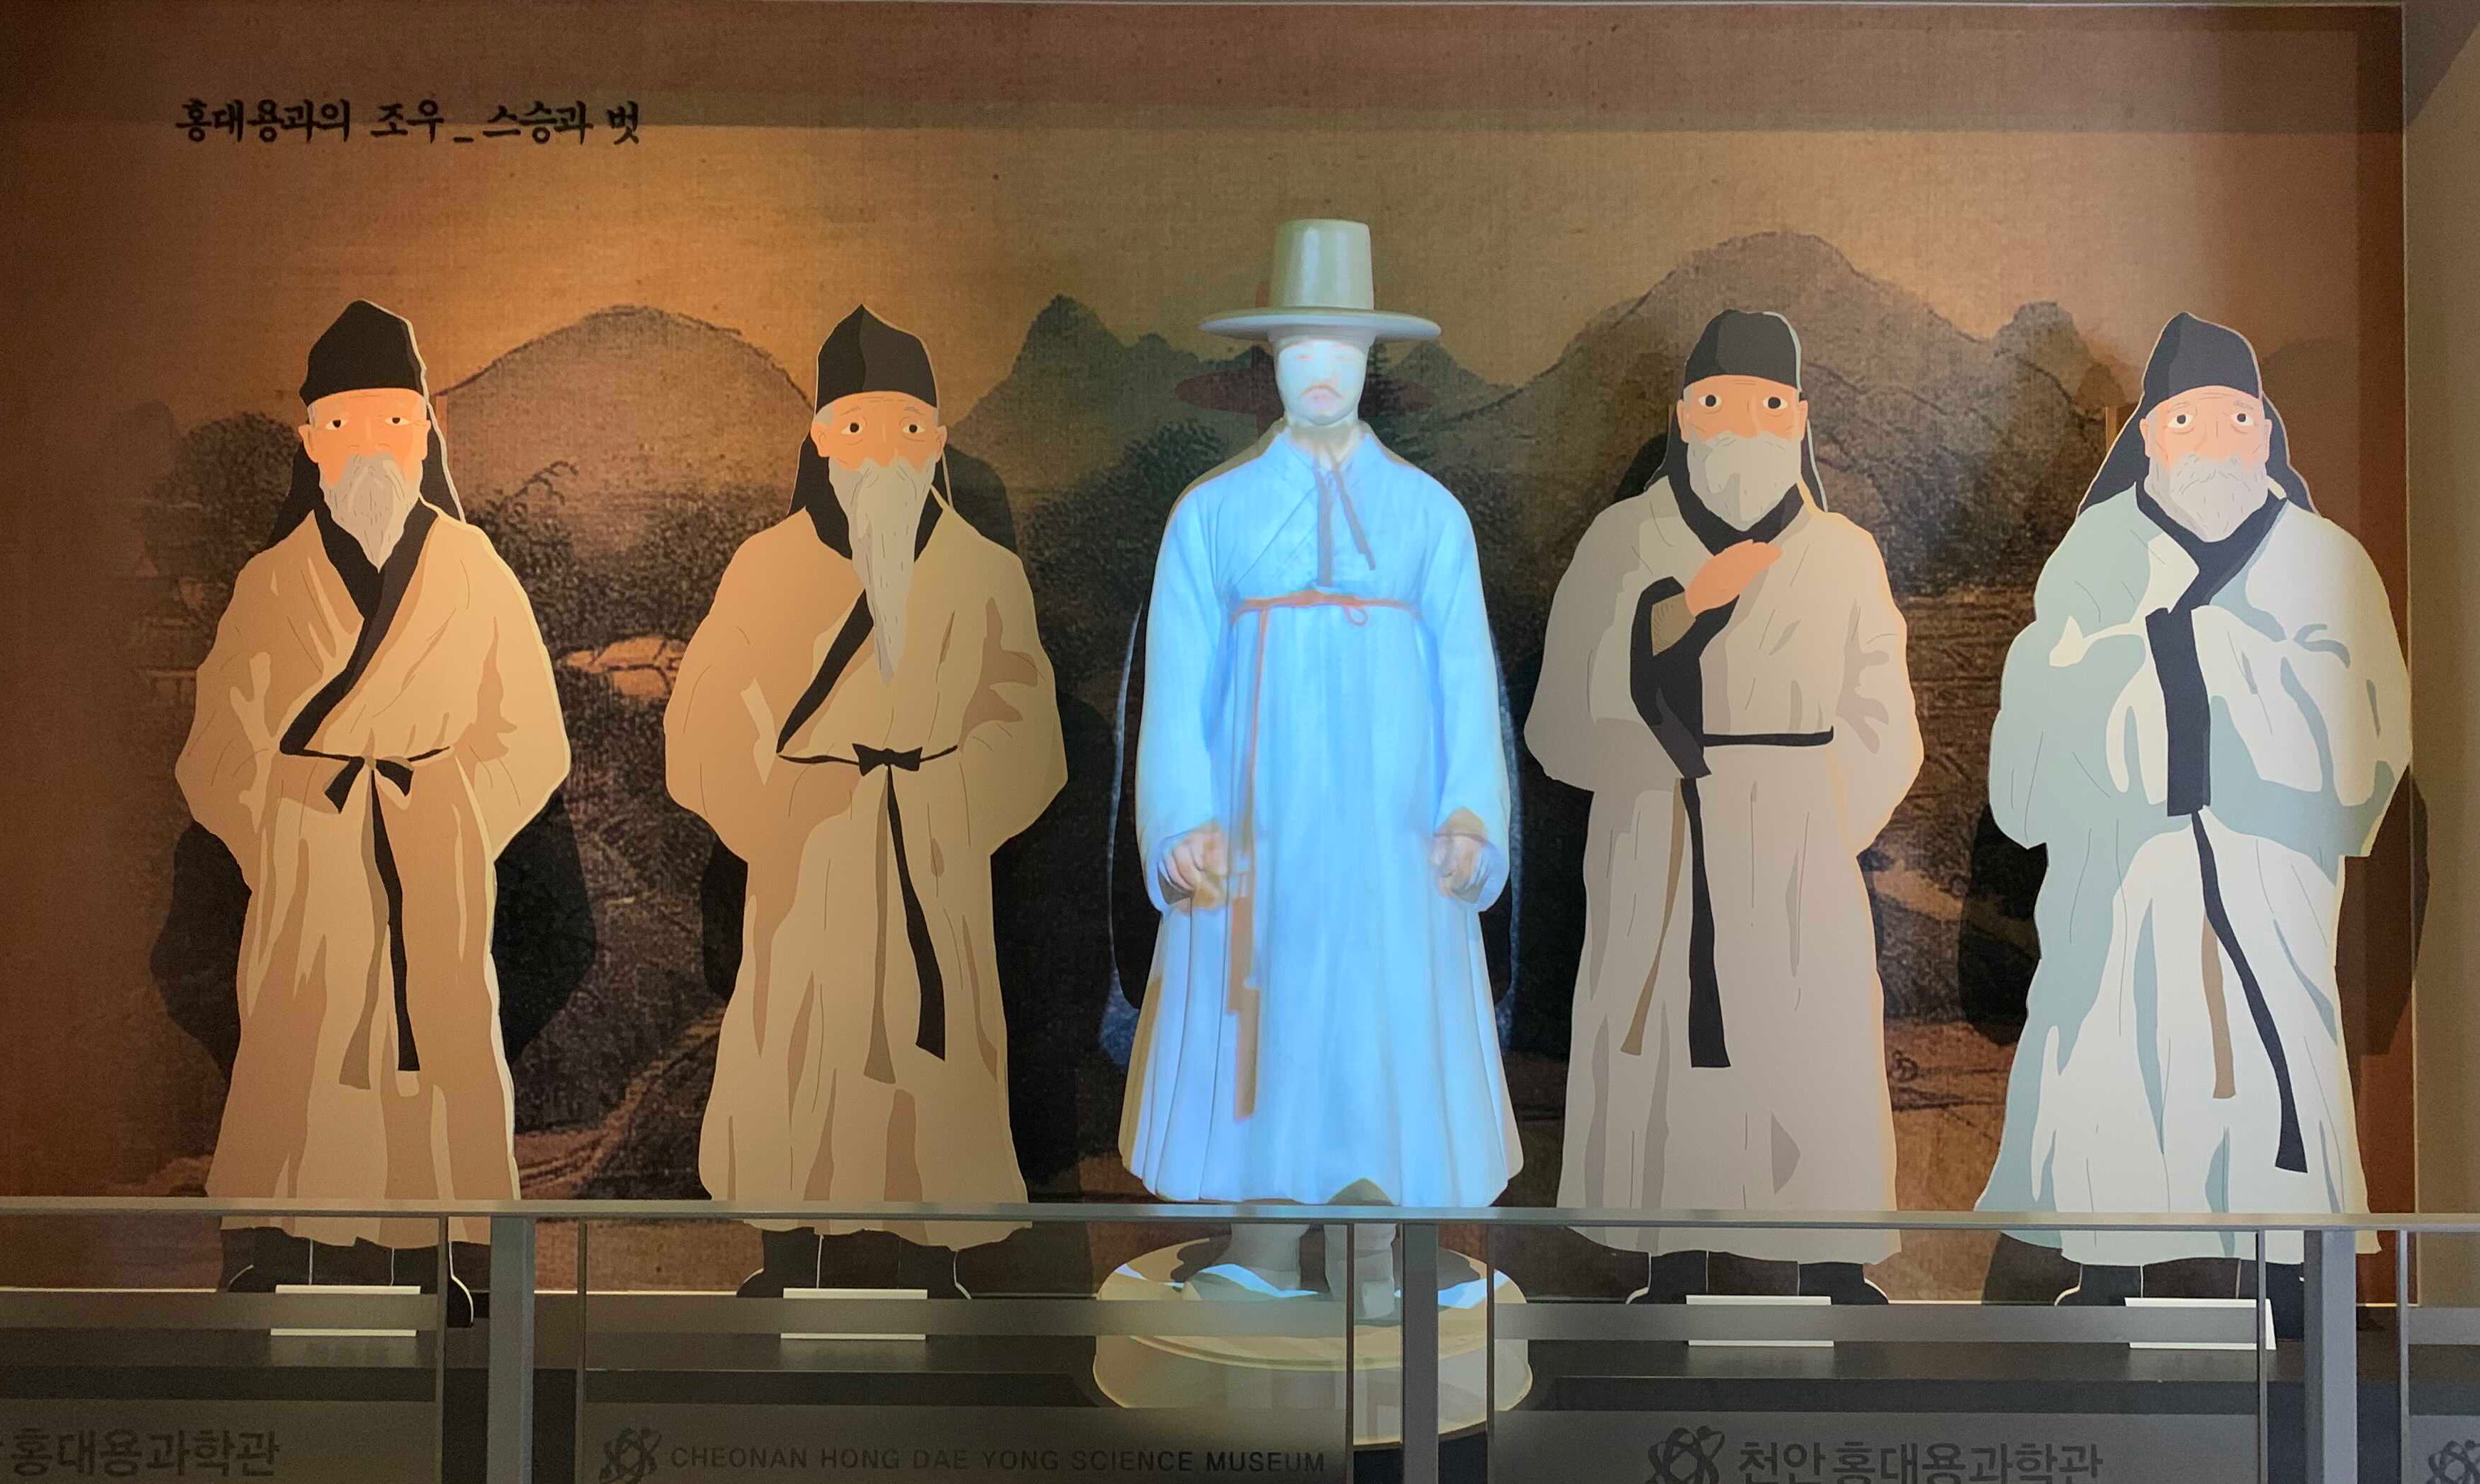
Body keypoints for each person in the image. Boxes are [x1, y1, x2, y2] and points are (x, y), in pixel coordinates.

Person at [1117, 221, 1520, 1319]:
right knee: (1269, 1022)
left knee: (1379, 1032)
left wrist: (1471, 815)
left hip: (1393, 843)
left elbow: (1464, 680)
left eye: (1341, 344)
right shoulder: (1210, 515)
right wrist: (1182, 821)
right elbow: (1178, 692)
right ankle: (1261, 1243)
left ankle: (1378, 1258)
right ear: (1272, 359)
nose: (1322, 367)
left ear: (1371, 357)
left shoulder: (1429, 518)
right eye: (1300, 346)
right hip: (1264, 838)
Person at [1975, 313, 2409, 1321]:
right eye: (2188, 420)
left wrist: (2204, 653)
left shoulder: (2327, 561)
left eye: (2236, 418)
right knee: (2110, 1117)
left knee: (2262, 1122)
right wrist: (2143, 668)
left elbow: (2367, 749)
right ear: (2150, 436)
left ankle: (2287, 1323)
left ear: (2267, 430)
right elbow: (2028, 762)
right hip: (2120, 912)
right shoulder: (2092, 558)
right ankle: (2099, 1305)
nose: (2215, 440)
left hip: (2271, 910)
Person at [178, 300, 569, 1318]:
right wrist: (292, 830)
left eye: (394, 420)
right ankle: (281, 1256)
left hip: (432, 869)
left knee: (436, 1064)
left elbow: (531, 735)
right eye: (345, 423)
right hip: (309, 883)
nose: (371, 444)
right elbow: (216, 749)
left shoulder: (476, 573)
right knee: (302, 1063)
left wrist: (443, 817)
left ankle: (449, 1267)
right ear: (310, 439)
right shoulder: (270, 585)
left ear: (426, 430)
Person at [668, 307, 1066, 1298]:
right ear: (820, 439)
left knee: (928, 1065)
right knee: (805, 1054)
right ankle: (791, 1260)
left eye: (904, 428)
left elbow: (1025, 725)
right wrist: (786, 811)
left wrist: (944, 801)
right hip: (810, 862)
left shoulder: (983, 572)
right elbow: (708, 719)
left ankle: (930, 1266)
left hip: (931, 860)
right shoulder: (764, 567)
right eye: (856, 427)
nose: (882, 450)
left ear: (936, 440)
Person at [1528, 310, 1921, 1304]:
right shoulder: (1622, 543)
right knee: (1667, 1054)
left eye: (1766, 406)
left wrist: (1810, 823)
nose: (1742, 426)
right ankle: (1672, 1264)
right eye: (1718, 404)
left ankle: (1832, 1264)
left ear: (1801, 418)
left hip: (1798, 850)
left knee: (1810, 1046)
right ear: (1683, 417)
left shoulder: (1844, 554)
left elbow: (1885, 722)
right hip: (1658, 834)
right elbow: (1560, 719)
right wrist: (1678, 625)